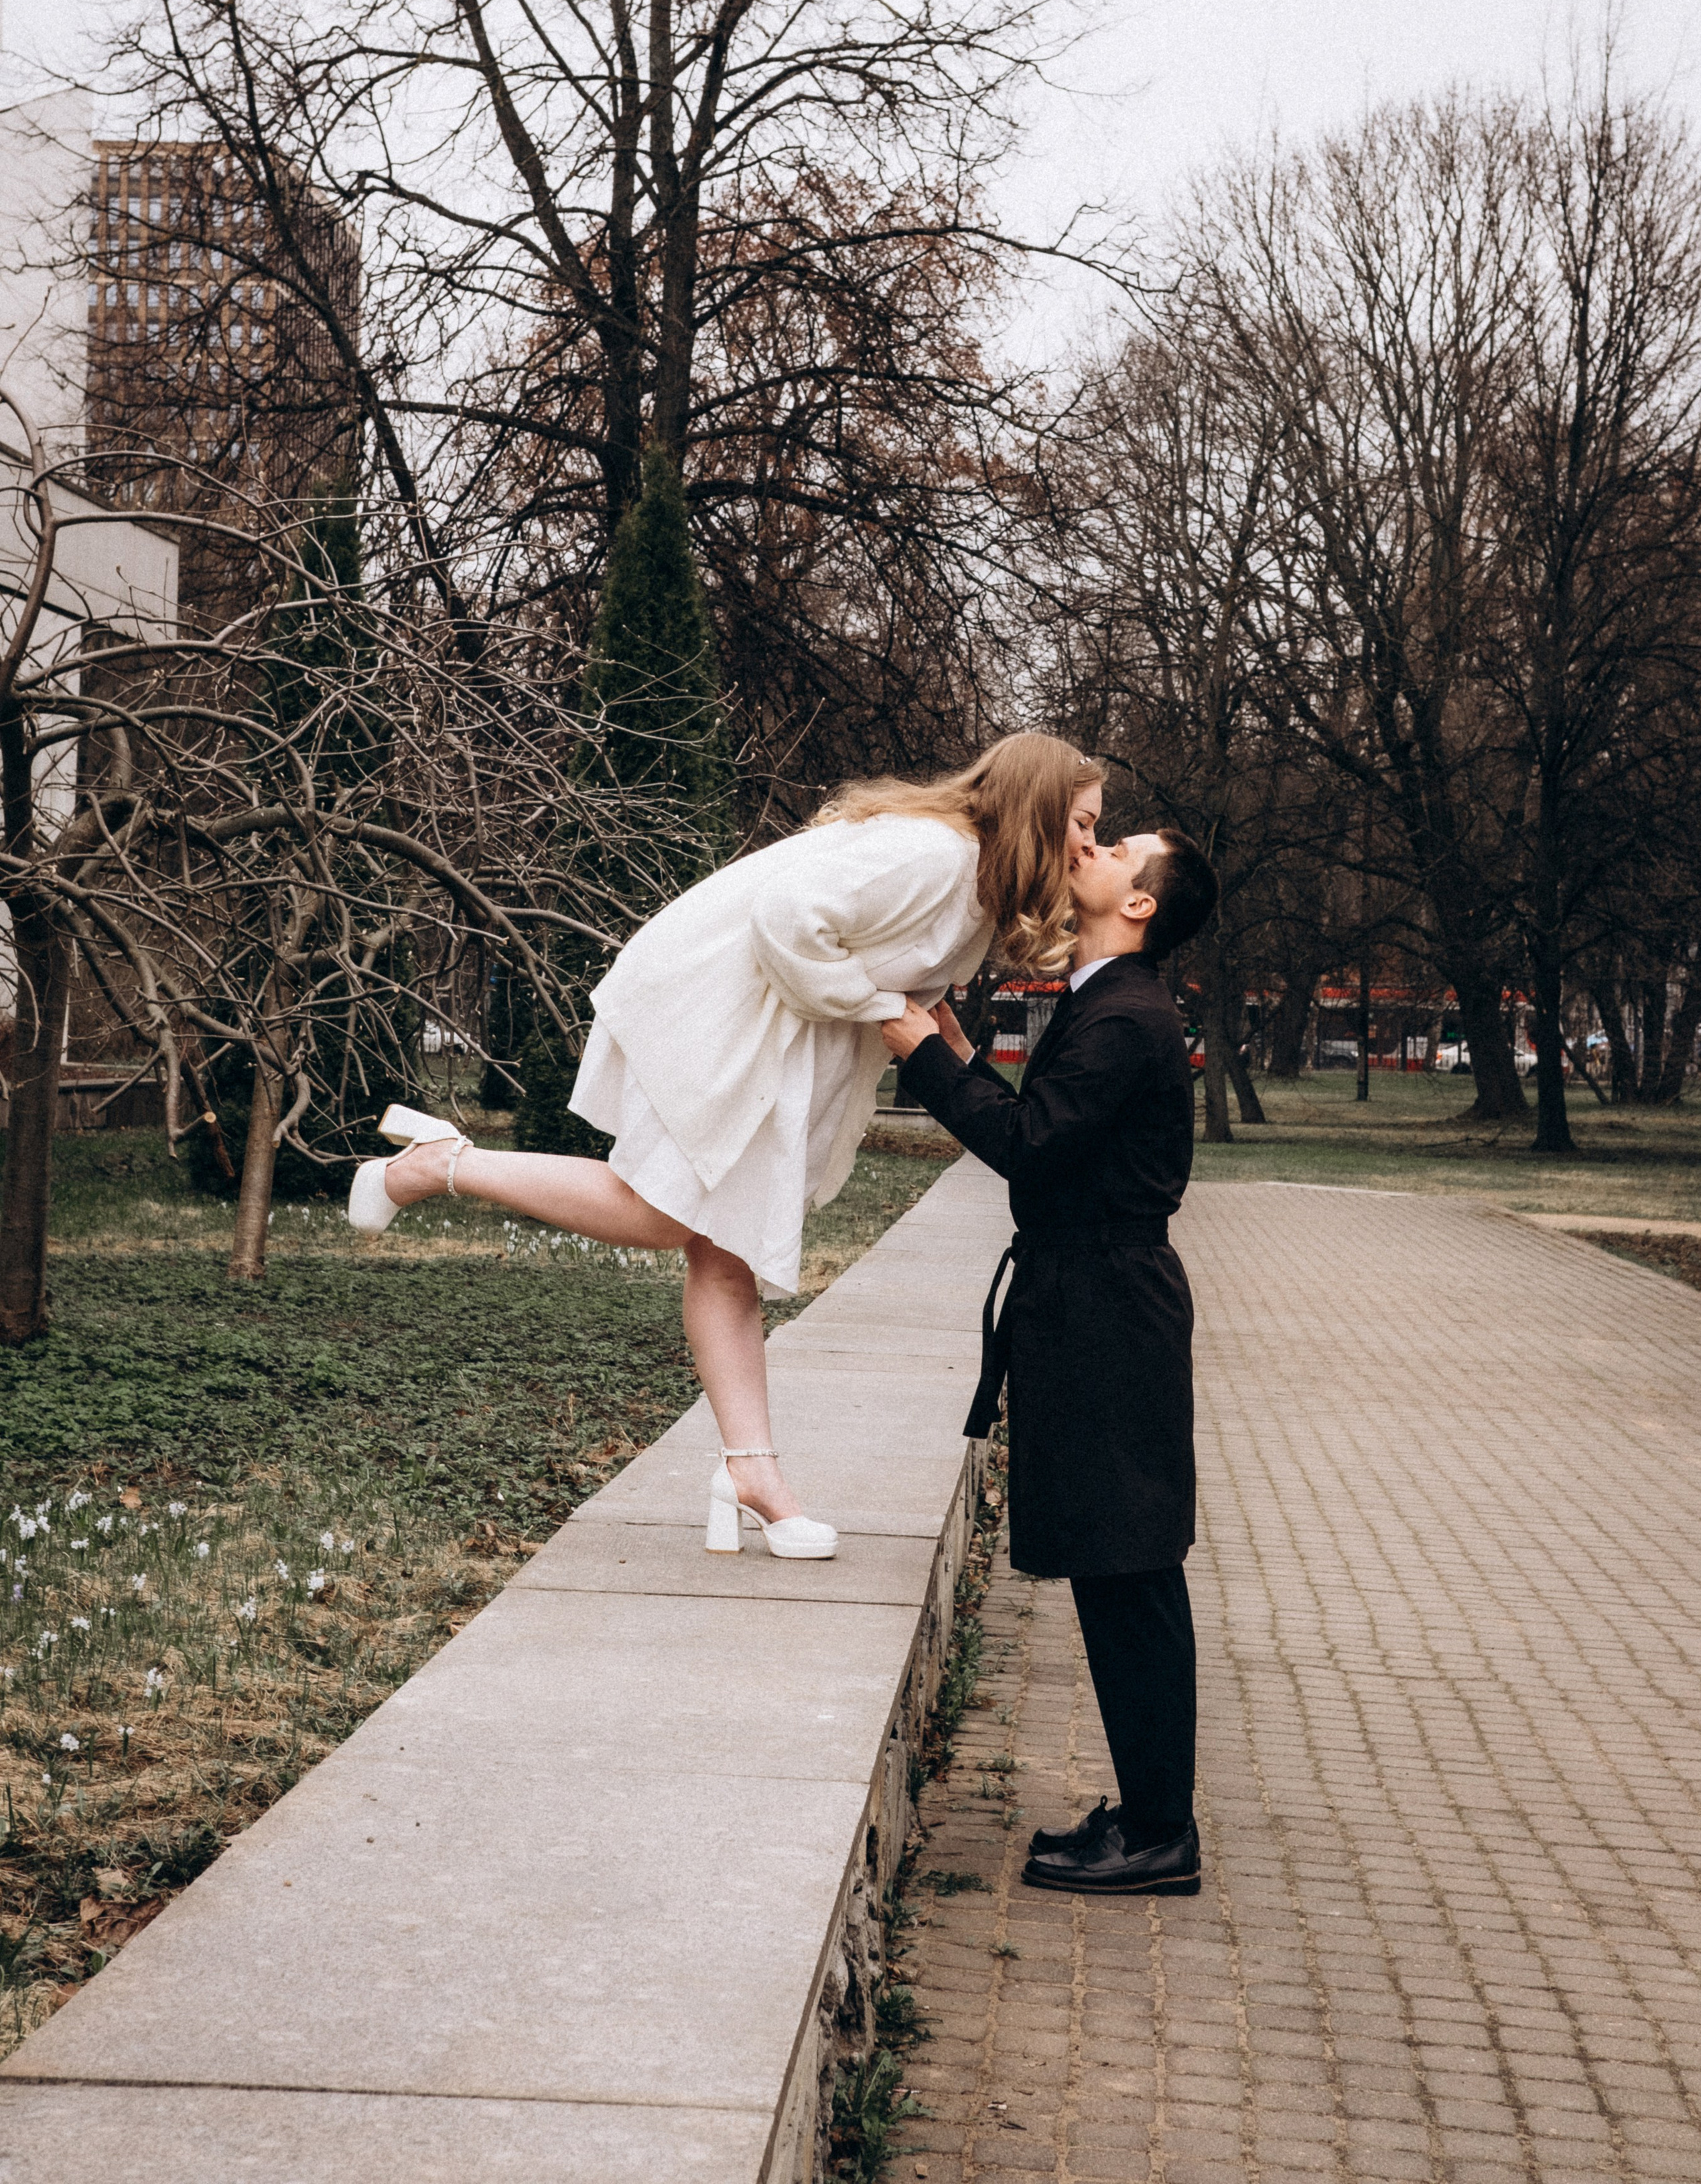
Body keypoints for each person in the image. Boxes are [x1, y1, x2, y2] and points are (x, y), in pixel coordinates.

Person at [349, 734, 1106, 1560]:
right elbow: (791, 919)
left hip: (767, 1039)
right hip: (727, 1021)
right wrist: (872, 1001)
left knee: (722, 1252)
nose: (1090, 847)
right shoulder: (937, 857)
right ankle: (442, 1164)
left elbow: (908, 988)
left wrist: (941, 1047)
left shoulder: (970, 880)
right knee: (662, 1216)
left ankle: (752, 1477)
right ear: (1036, 811)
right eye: (1083, 824)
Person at [881, 824, 1218, 1897]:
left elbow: (1029, 1148)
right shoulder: (1106, 995)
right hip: (1095, 1297)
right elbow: (1049, 1124)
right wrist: (957, 1046)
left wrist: (922, 1055)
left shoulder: (1128, 1012)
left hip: (1110, 1306)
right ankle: (1154, 1811)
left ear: (1142, 902)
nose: (1098, 846)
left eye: (1121, 847)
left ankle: (1162, 1833)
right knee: (1124, 1568)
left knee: (1132, 1570)